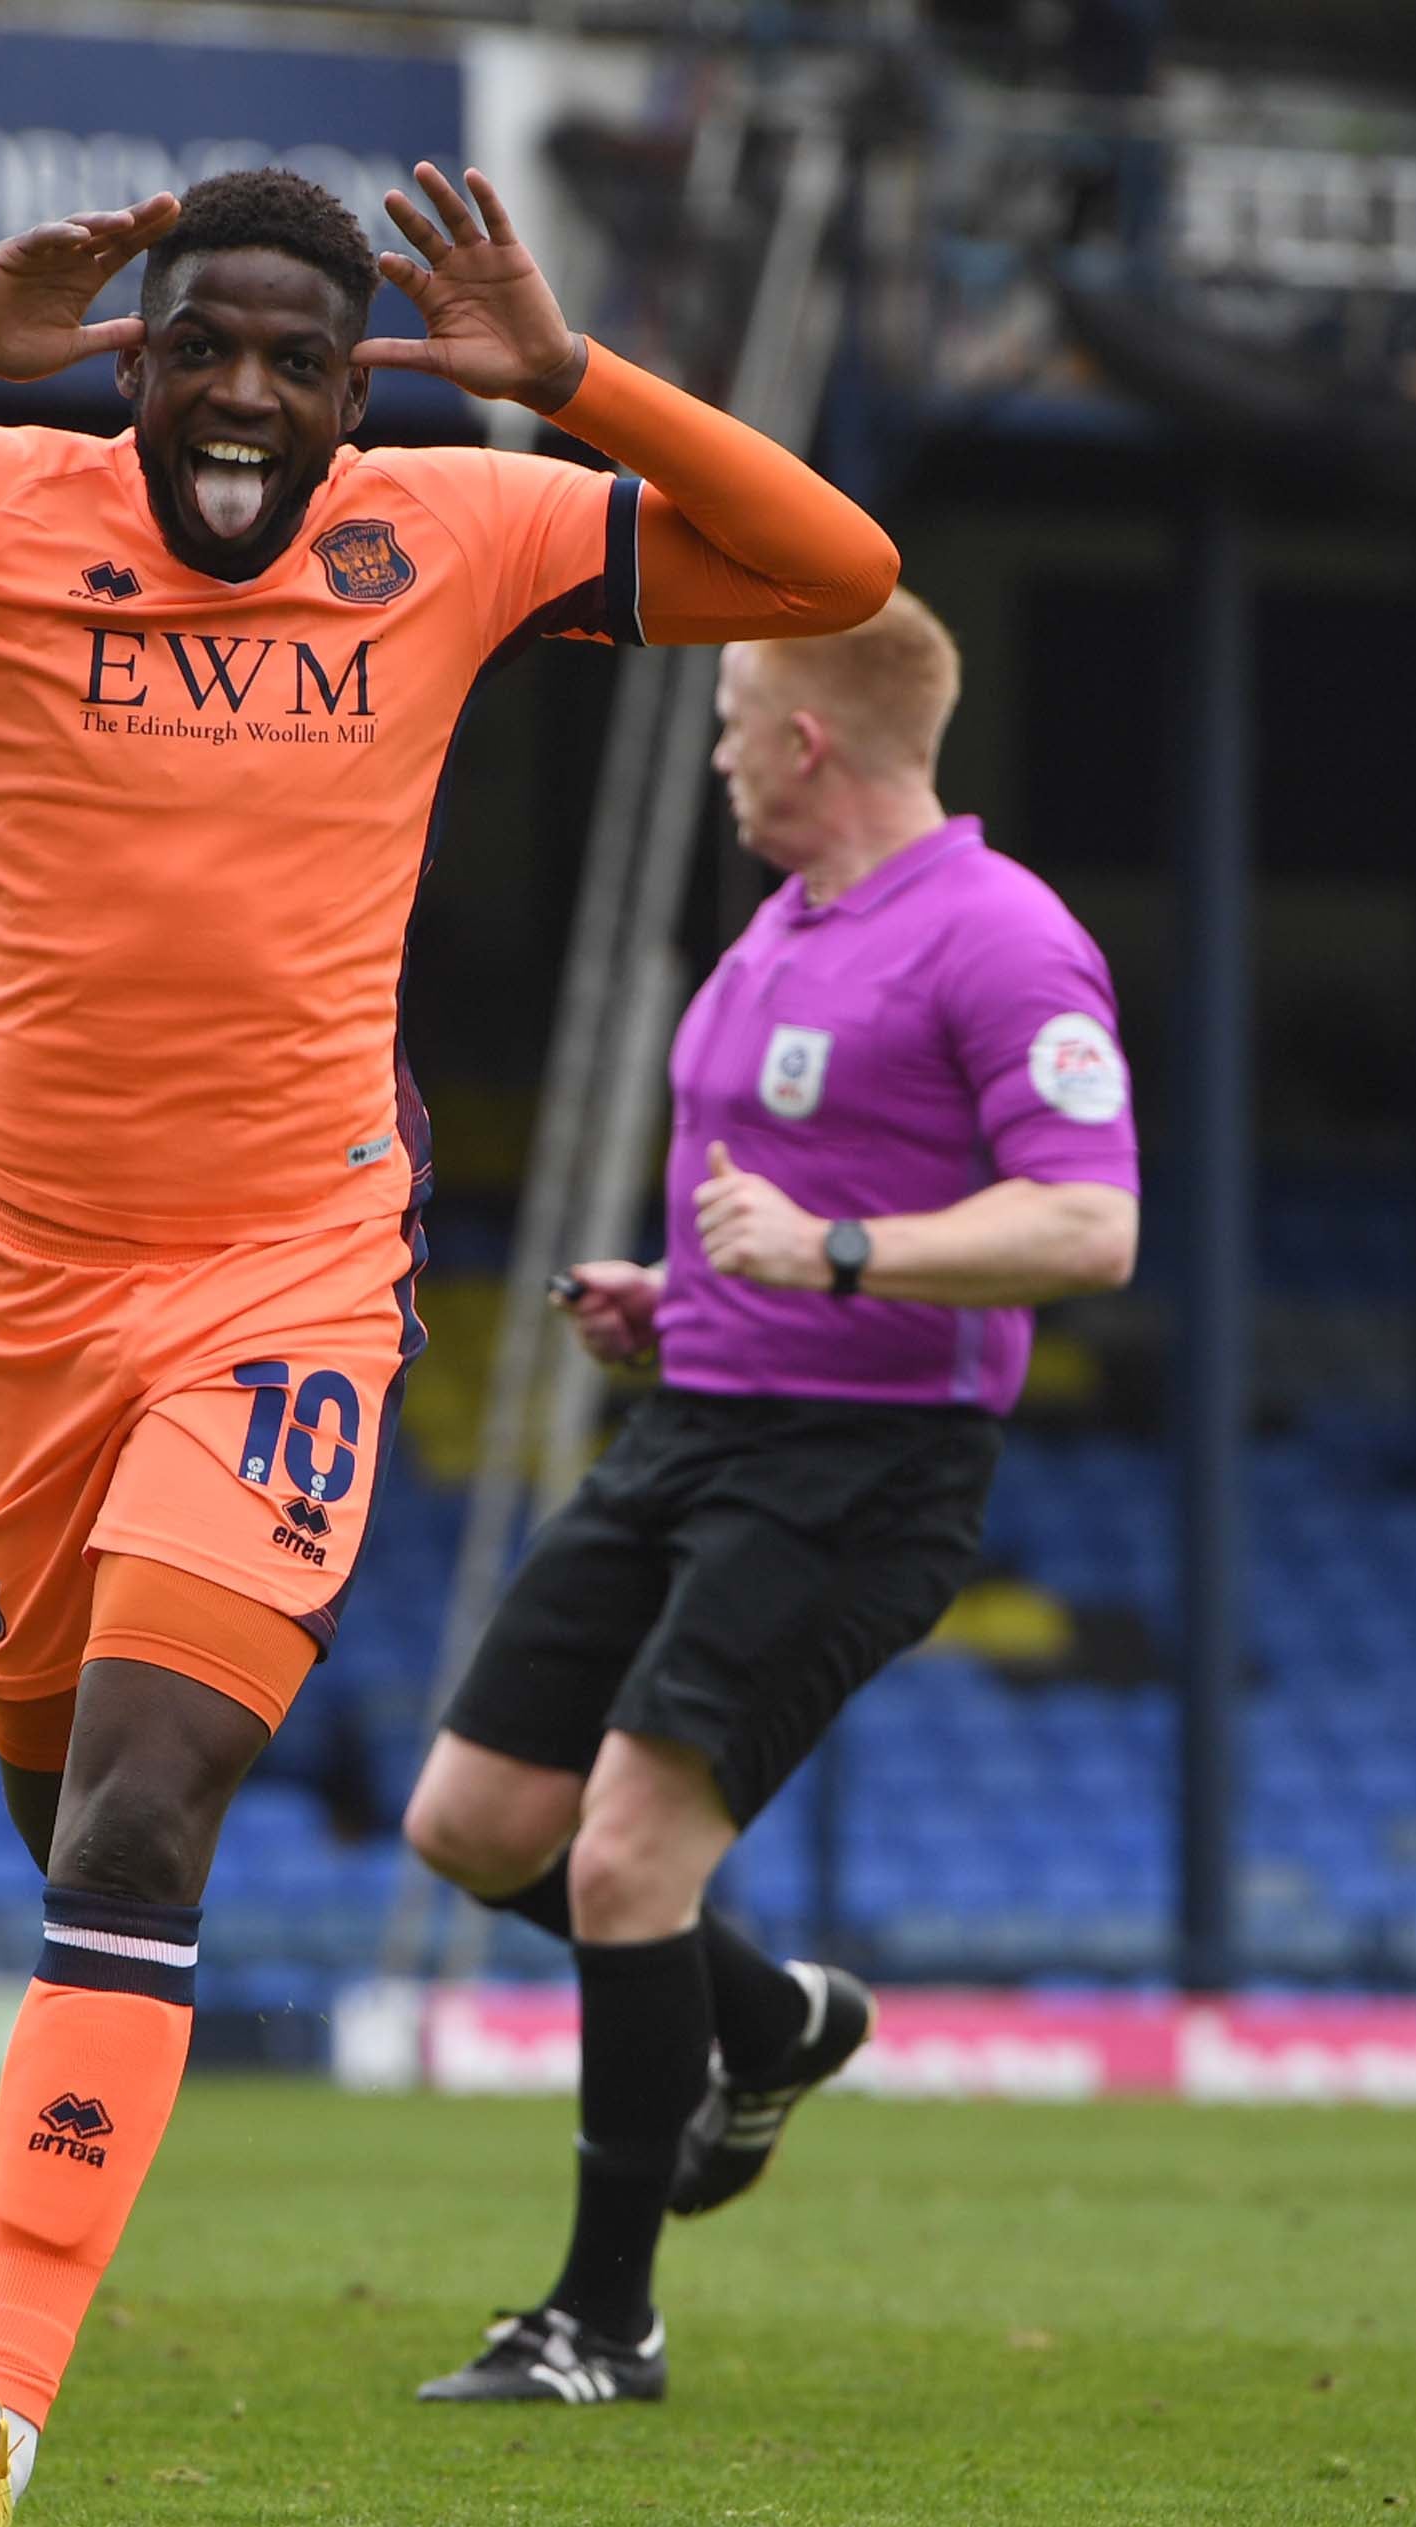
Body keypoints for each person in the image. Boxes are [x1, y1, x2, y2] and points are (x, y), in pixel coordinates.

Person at [0, 162, 898, 2527]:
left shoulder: (448, 529)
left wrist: (563, 379)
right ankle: (755, 2007)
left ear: (360, 374)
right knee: (66, 1826)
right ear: (129, 359)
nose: (251, 394)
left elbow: (827, 571)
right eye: (204, 348)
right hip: (21, 1307)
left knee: (146, 1825)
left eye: (301, 351)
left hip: (285, 1283)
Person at [398, 592, 1139, 2405]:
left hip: (861, 1465)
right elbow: (773, 1213)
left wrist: (839, 1251)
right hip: (696, 1424)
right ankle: (773, 2018)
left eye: (734, 713)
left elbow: (1090, 1222)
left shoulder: (1003, 936)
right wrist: (685, 1296)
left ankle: (603, 2317)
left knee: (631, 1855)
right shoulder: (783, 930)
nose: (719, 742)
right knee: (476, 1821)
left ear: (807, 735)